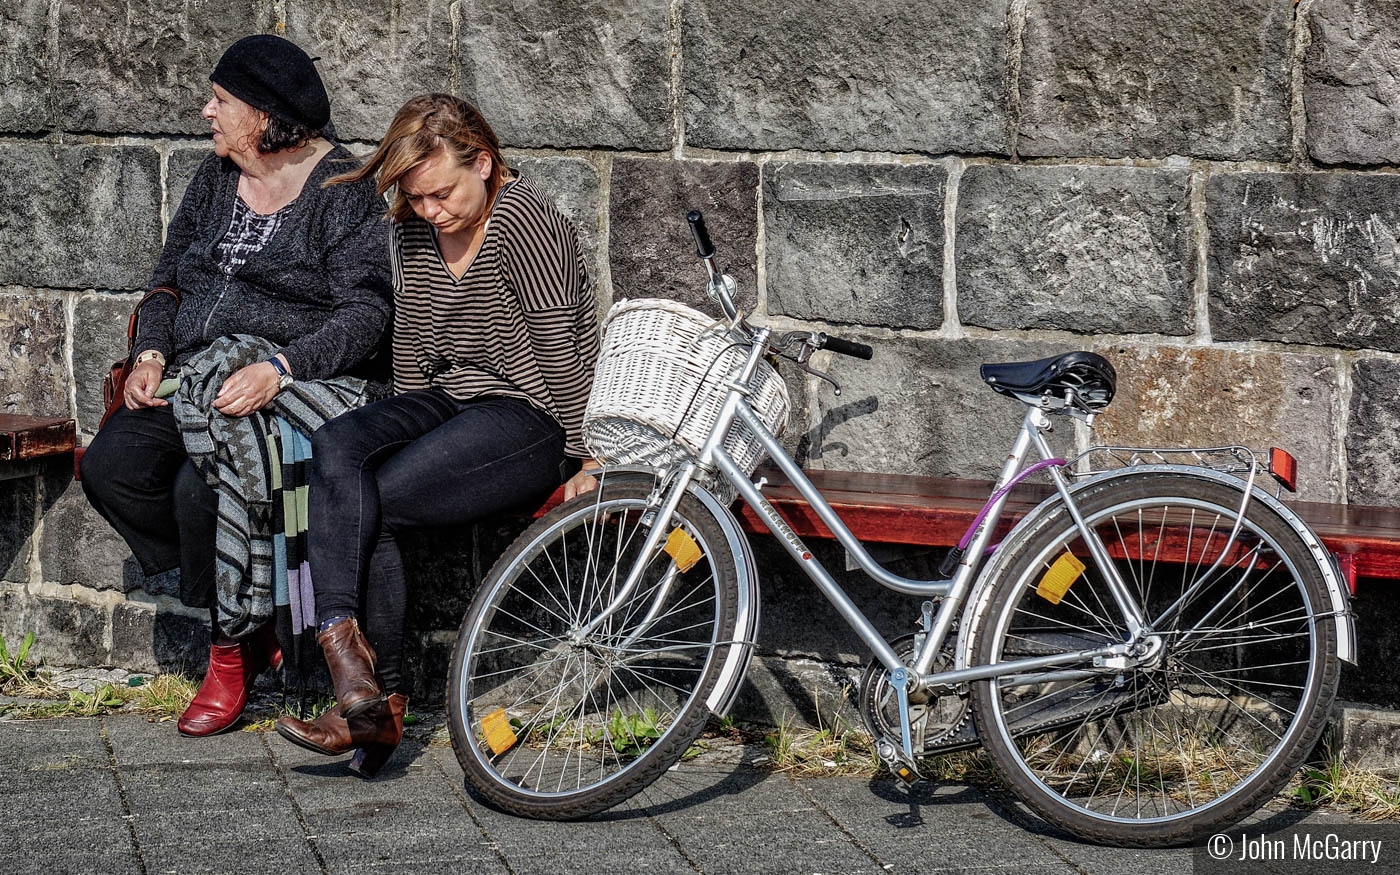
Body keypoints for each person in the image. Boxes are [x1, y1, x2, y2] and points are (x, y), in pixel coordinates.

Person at [273, 93, 600, 777]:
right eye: (417, 198)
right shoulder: (412, 229)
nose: (430, 210)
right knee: (336, 445)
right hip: (445, 396)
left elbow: (561, 349)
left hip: (528, 412)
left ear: (482, 160)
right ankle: (351, 669)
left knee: (378, 501)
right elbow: (414, 355)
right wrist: (387, 426)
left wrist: (588, 452)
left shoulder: (524, 218)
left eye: (441, 192)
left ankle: (379, 706)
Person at [80, 35, 393, 738]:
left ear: (262, 114)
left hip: (276, 379)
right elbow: (167, 278)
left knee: (204, 491)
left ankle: (230, 651)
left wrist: (280, 369)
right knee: (111, 467)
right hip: (191, 369)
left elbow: (367, 314)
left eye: (220, 101)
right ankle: (248, 611)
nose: (205, 112)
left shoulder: (344, 191)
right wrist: (152, 351)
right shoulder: (216, 178)